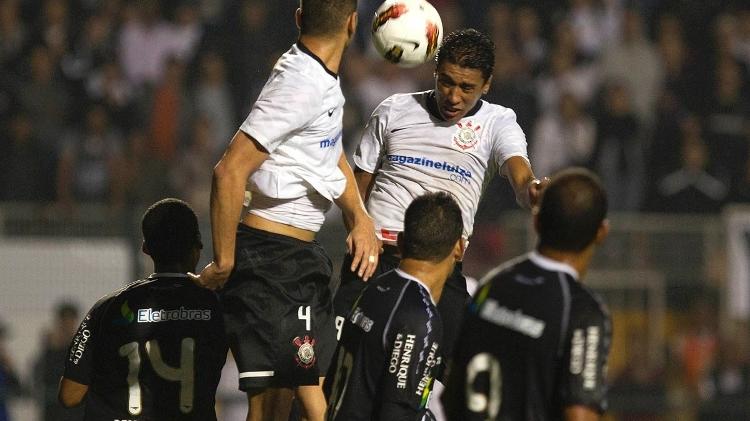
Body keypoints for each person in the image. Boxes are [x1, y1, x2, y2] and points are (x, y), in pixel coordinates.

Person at [195, 1, 380, 420]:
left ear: (300, 19)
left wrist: (359, 217)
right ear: (353, 24)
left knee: (290, 405)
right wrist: (224, 261)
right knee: (287, 408)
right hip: (269, 264)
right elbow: (229, 170)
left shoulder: (319, 78)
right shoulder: (301, 82)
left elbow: (329, 152)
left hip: (295, 262)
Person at [333, 28, 546, 366]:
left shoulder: (498, 122)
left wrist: (531, 188)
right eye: (446, 81)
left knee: (465, 371)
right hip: (376, 259)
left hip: (441, 270)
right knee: (336, 368)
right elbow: (358, 188)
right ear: (434, 70)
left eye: (467, 88)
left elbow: (518, 171)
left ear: (486, 84)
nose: (454, 97)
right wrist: (358, 226)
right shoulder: (393, 110)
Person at [442, 167, 612, 421]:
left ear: (536, 222)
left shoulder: (491, 285)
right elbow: (580, 414)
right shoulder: (582, 311)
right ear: (601, 233)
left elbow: (452, 389)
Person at [58, 198, 228, 420]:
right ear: (197, 247)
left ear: (146, 248)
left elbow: (70, 395)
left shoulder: (107, 308)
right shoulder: (218, 307)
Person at [324, 192, 464, 420]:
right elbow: (397, 413)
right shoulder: (420, 316)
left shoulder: (372, 290)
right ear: (459, 248)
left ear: (400, 241)